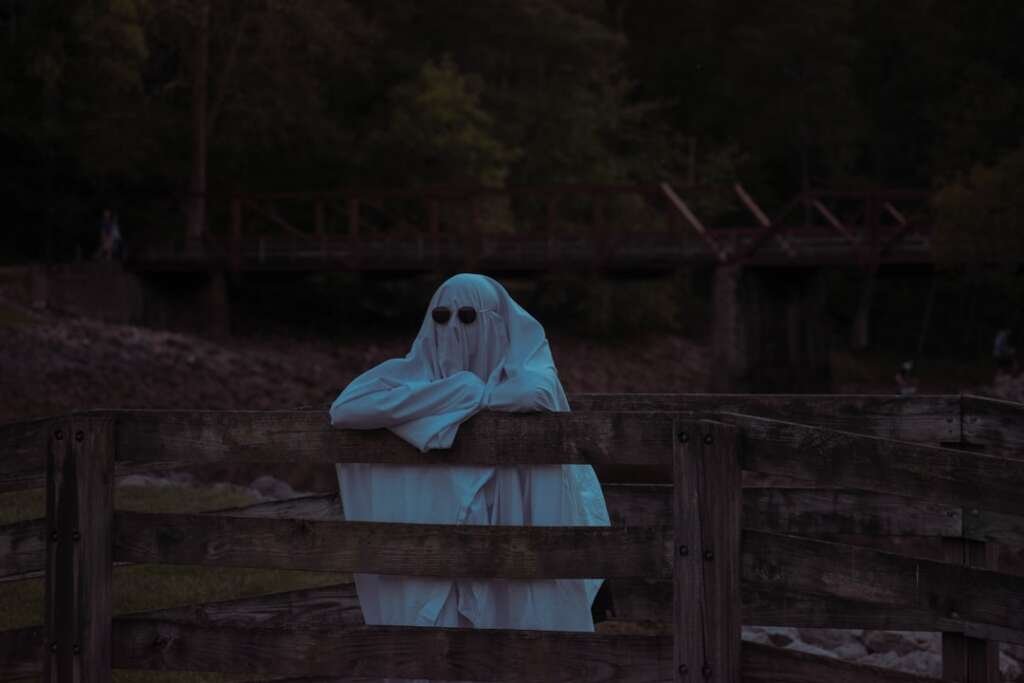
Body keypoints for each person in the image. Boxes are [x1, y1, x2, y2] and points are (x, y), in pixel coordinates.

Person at [329, 273, 609, 633]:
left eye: (468, 317)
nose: (453, 329)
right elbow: (345, 409)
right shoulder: (414, 373)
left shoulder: (523, 369)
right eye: (442, 317)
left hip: (513, 537)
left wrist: (459, 402)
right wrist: (459, 392)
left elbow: (535, 393)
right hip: (436, 541)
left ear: (494, 320)